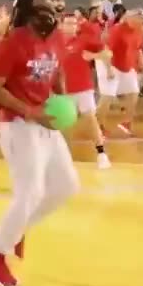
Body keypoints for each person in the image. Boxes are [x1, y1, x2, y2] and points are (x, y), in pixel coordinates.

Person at [0, 0, 79, 286]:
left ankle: (18, 230)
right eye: (41, 6)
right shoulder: (12, 43)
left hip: (46, 119)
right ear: (26, 12)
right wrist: (31, 111)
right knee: (30, 191)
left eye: (50, 5)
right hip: (18, 123)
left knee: (66, 186)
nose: (48, 11)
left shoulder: (57, 38)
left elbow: (56, 70)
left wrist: (63, 101)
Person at [60, 13, 111, 169]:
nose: (72, 26)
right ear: (61, 25)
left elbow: (108, 53)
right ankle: (64, 157)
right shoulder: (54, 42)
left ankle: (101, 153)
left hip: (83, 87)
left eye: (74, 23)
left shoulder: (84, 40)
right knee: (65, 123)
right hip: (63, 89)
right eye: (68, 23)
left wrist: (93, 56)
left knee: (90, 119)